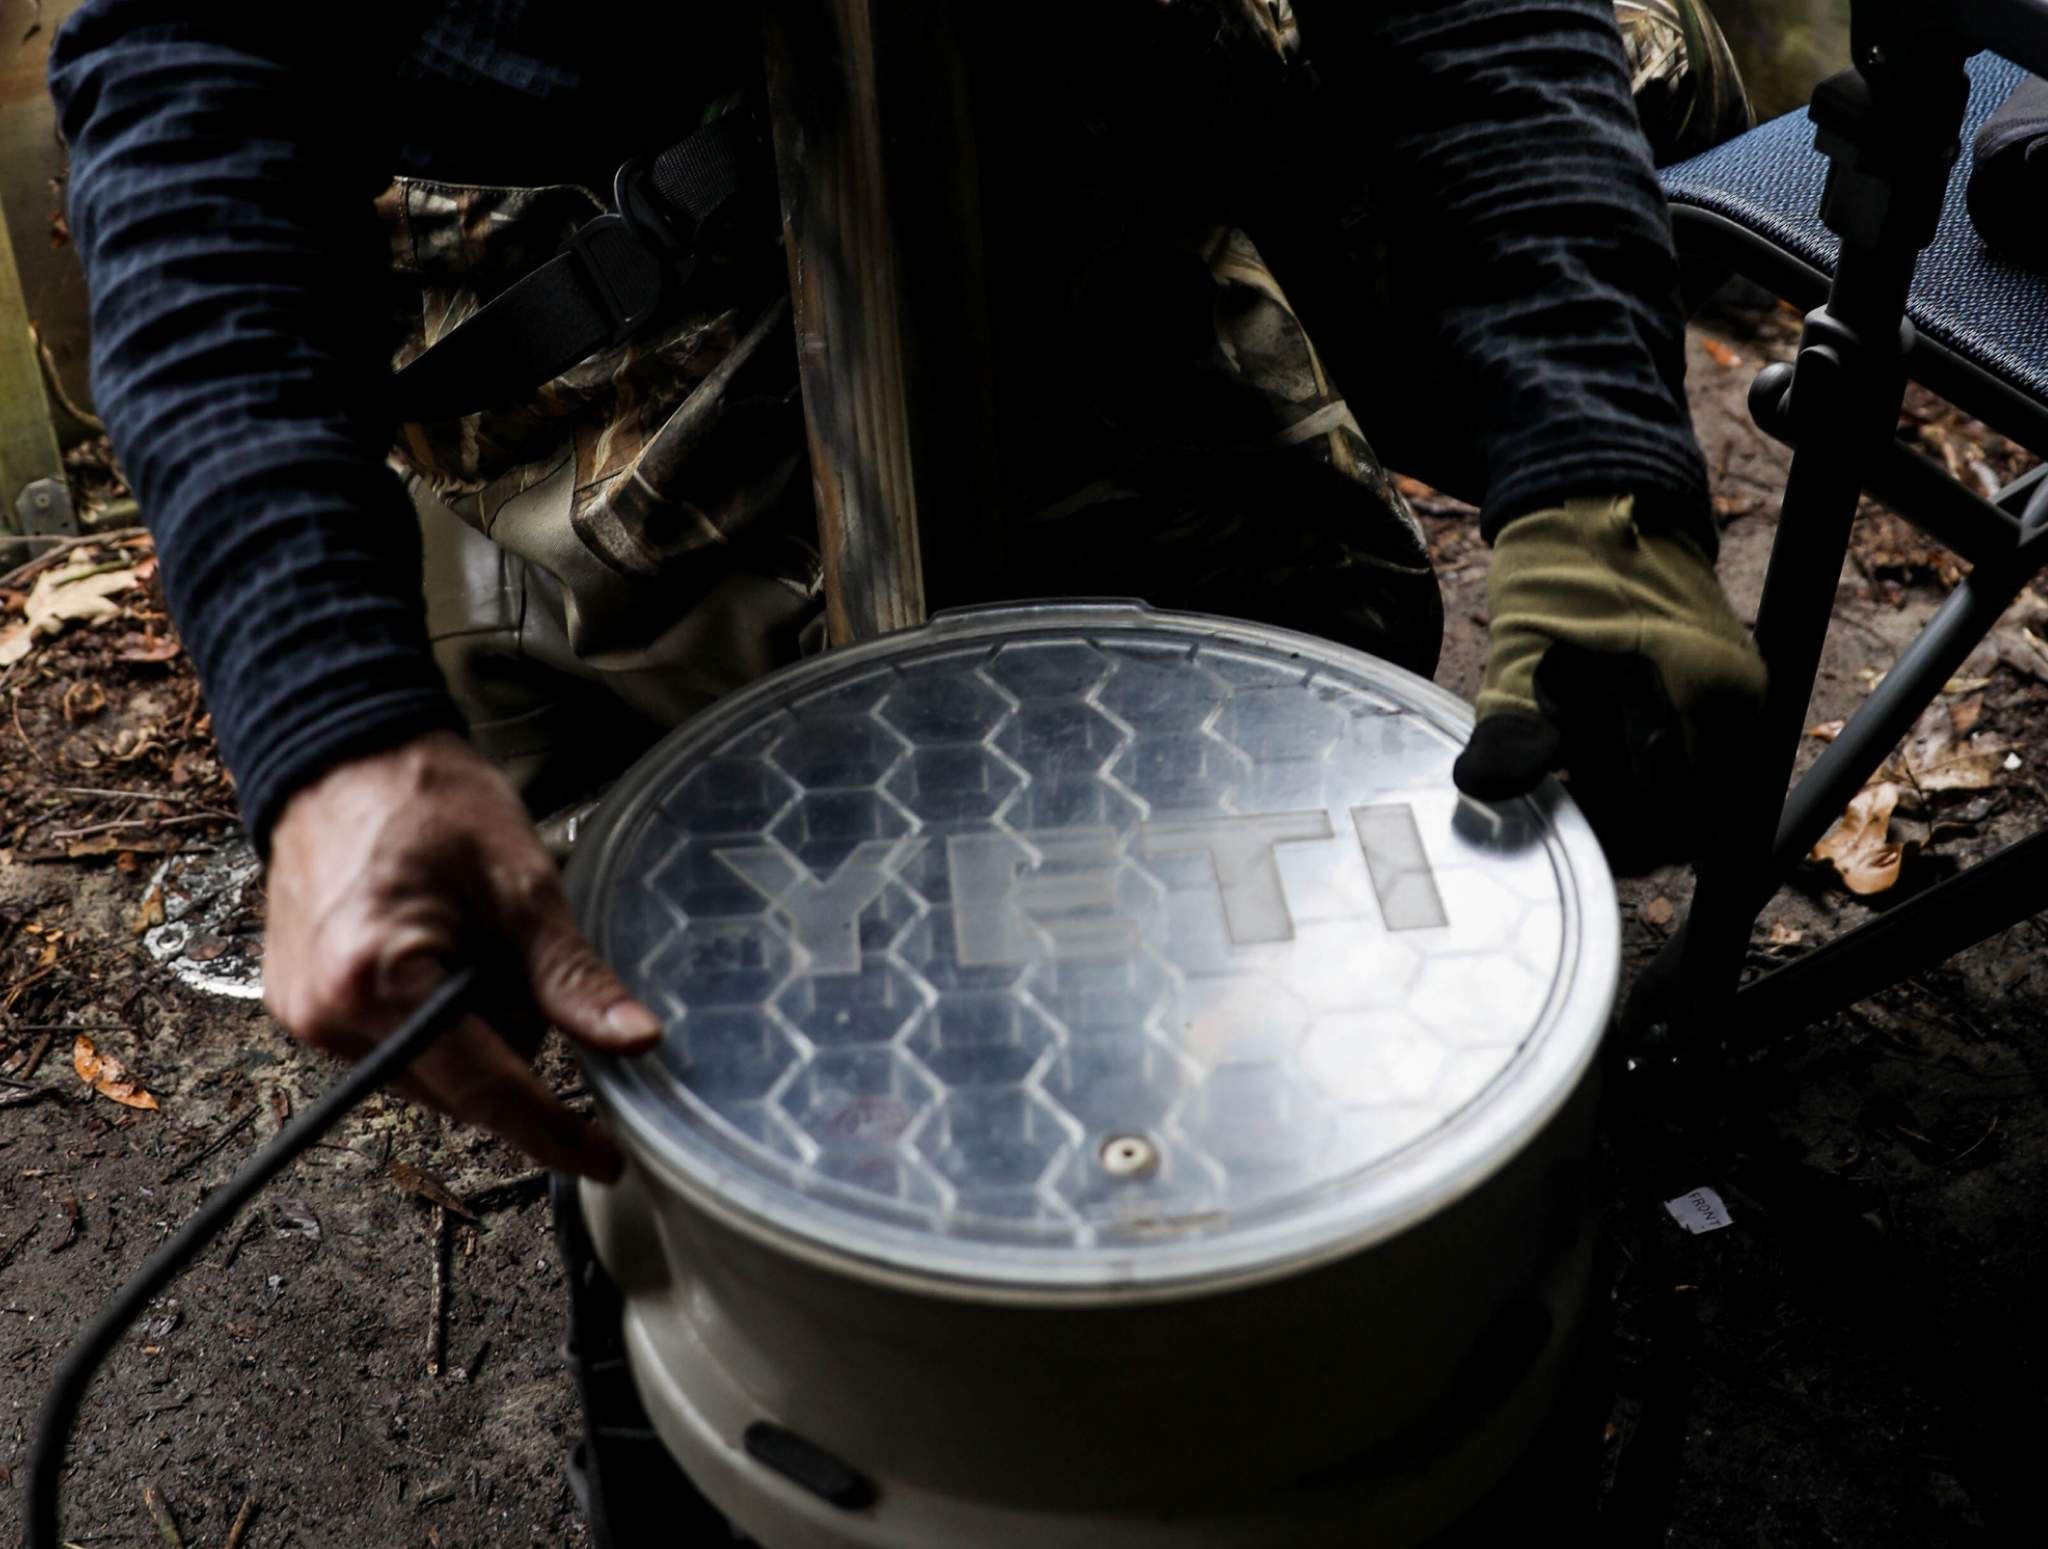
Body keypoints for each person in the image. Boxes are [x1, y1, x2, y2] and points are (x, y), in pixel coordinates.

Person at [48, 0, 1765, 1179]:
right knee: (760, 909)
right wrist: (330, 723)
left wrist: (1594, 469)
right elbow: (185, 72)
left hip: (1055, 66)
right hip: (596, 195)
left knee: (1280, 707)